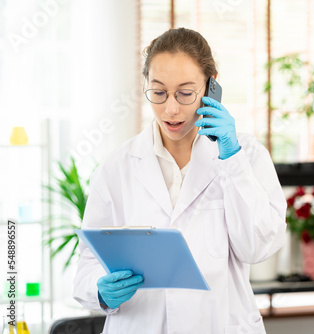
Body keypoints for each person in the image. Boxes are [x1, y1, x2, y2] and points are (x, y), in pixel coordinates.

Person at [73, 27, 287, 333]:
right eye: (158, 92)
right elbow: (87, 263)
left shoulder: (246, 155)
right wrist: (100, 290)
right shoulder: (117, 167)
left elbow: (258, 247)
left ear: (212, 88)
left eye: (185, 93)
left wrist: (232, 161)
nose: (171, 109)